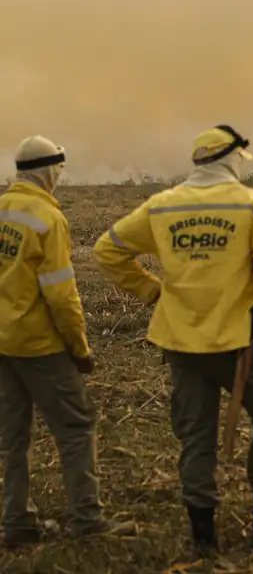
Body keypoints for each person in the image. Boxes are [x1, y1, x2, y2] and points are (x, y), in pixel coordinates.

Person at [93, 125, 253, 557]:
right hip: (241, 345)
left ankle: (203, 539)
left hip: (181, 344)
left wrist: (154, 292)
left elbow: (107, 249)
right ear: (231, 160)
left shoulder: (162, 206)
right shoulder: (251, 205)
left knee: (197, 437)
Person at [0, 136, 133, 547]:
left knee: (12, 437)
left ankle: (17, 524)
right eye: (59, 169)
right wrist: (80, 349)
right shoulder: (46, 218)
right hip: (40, 345)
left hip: (2, 344)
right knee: (76, 429)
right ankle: (87, 519)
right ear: (48, 170)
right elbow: (61, 294)